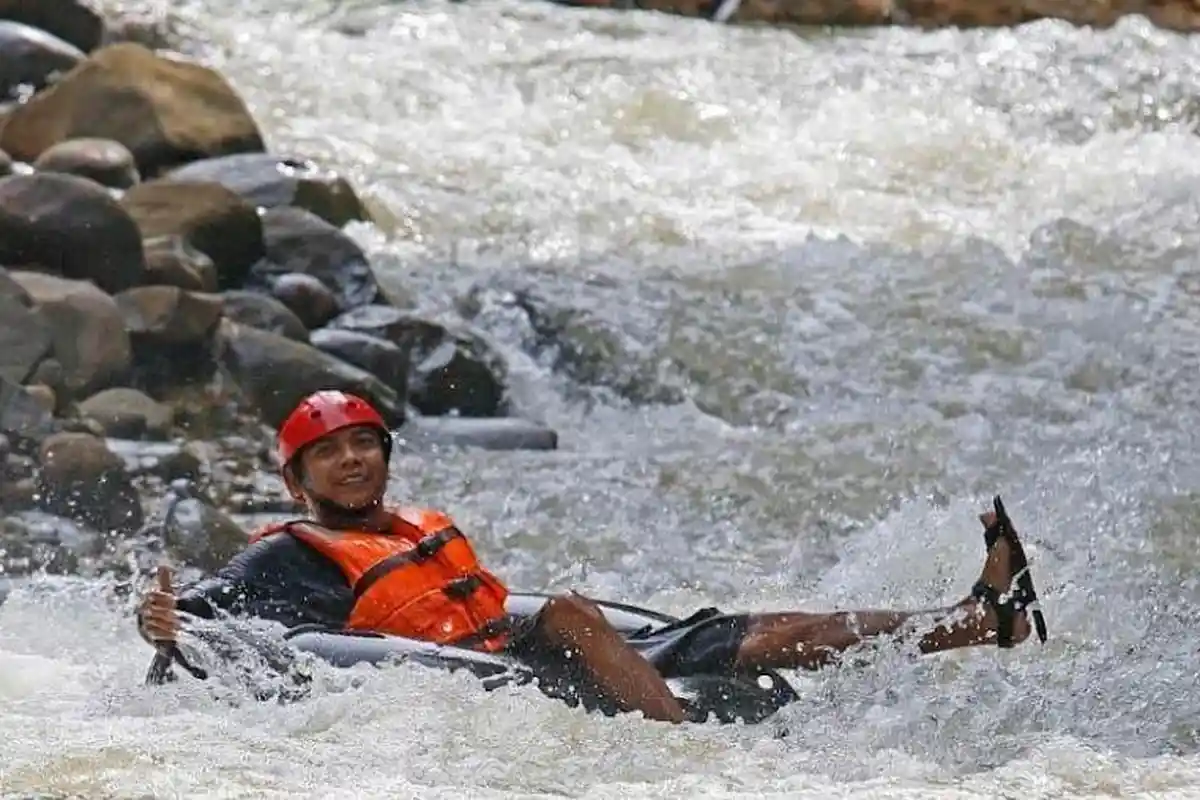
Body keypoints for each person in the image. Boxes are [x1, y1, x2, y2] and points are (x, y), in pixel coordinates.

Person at [137, 390, 1039, 724]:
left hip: (498, 648)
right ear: (297, 478)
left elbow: (480, 607)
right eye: (331, 453)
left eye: (366, 443)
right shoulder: (286, 556)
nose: (354, 459)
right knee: (570, 608)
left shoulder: (414, 523)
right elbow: (205, 623)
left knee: (756, 631)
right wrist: (159, 623)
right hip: (452, 676)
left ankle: (971, 623)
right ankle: (688, 755)